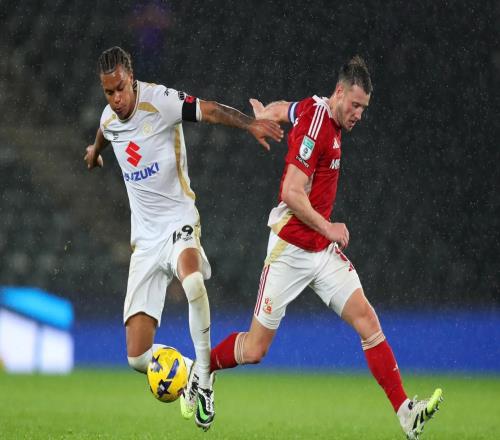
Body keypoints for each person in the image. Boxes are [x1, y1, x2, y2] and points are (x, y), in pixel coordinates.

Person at [184, 56, 443, 439]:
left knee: (368, 322)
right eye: (355, 105)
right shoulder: (318, 127)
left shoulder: (315, 107)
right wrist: (329, 227)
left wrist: (264, 113)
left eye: (364, 108)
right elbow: (291, 191)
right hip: (289, 249)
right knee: (255, 350)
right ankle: (202, 369)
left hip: (321, 252)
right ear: (339, 92)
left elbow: (286, 109)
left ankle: (406, 413)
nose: (359, 114)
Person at [84, 46, 283, 431]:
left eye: (121, 88)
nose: (116, 98)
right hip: (145, 240)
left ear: (132, 78)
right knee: (137, 358)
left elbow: (210, 110)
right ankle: (191, 370)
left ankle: (205, 379)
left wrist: (249, 125)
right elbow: (104, 131)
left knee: (192, 282)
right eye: (108, 92)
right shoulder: (110, 118)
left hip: (178, 220)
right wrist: (94, 152)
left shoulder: (159, 101)